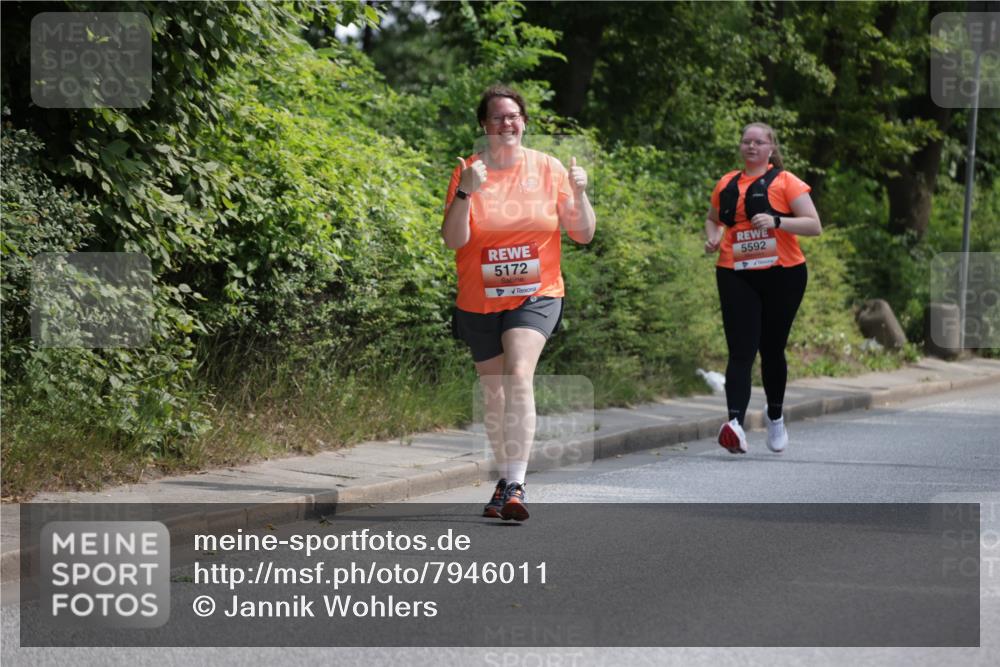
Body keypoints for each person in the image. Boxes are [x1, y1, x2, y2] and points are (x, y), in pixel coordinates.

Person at [441, 84, 596, 520]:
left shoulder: (548, 169)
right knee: (494, 393)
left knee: (519, 373)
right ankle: (503, 479)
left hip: (537, 292)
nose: (506, 123)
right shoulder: (469, 172)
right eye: (497, 117)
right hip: (479, 297)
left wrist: (580, 193)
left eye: (513, 116)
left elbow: (583, 234)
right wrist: (464, 193)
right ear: (484, 126)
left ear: (524, 121)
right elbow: (454, 239)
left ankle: (517, 485)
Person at [703, 122, 822, 454]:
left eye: (758, 142)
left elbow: (814, 225)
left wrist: (777, 221)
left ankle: (775, 416)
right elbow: (714, 218)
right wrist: (713, 236)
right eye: (746, 142)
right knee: (740, 350)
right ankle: (736, 425)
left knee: (771, 349)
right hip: (735, 271)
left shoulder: (786, 182)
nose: (751, 147)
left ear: (771, 148)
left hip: (783, 273)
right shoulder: (726, 183)